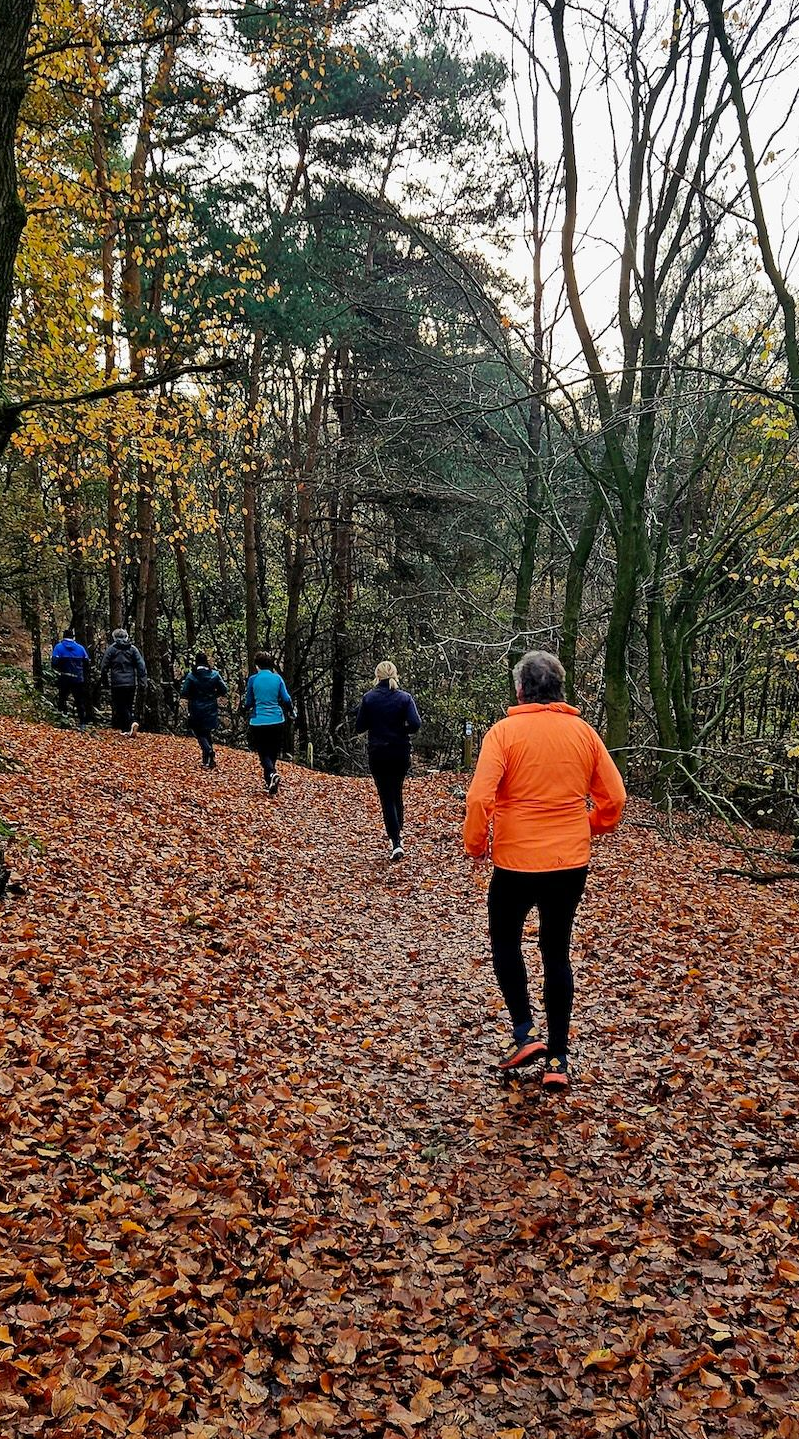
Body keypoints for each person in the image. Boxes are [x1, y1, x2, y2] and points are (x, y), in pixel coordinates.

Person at [463, 650, 626, 1091]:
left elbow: (480, 798)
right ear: (559, 687)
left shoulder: (504, 733)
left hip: (515, 861)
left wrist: (476, 843)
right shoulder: (584, 734)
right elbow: (615, 799)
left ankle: (524, 1032)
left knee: (505, 943)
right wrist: (587, 826)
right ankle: (557, 1058)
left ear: (520, 689)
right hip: (569, 863)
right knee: (556, 952)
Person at [355, 661, 421, 861]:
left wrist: (375, 724)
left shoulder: (369, 698)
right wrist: (401, 730)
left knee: (386, 796)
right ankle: (398, 830)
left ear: (377, 676)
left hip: (378, 753)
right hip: (400, 751)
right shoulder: (404, 698)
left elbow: (359, 727)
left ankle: (395, 840)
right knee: (396, 790)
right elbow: (416, 724)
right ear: (395, 675)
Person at [245, 652, 293, 793]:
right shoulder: (277, 678)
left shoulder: (253, 680)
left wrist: (246, 708)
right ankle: (270, 781)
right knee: (272, 751)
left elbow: (248, 701)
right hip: (277, 720)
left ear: (257, 665)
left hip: (259, 720)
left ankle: (271, 773)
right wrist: (291, 711)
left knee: (262, 751)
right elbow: (286, 699)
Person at [180, 652, 228, 769]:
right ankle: (208, 760)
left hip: (196, 707)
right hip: (211, 707)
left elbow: (184, 692)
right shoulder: (215, 675)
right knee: (207, 732)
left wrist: (192, 696)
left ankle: (208, 751)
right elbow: (224, 689)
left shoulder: (191, 676)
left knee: (199, 732)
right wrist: (214, 695)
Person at [100, 628, 147, 735]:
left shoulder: (111, 650)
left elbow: (104, 667)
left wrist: (105, 682)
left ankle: (132, 722)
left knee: (120, 706)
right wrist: (142, 682)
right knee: (128, 705)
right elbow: (141, 666)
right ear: (126, 637)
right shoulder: (133, 649)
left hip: (117, 683)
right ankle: (127, 729)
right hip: (131, 683)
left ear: (114, 637)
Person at [51, 628, 91, 729]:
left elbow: (54, 663)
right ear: (73, 637)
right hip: (78, 678)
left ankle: (63, 720)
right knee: (79, 700)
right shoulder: (80, 648)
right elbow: (87, 663)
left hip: (64, 677)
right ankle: (82, 722)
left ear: (63, 637)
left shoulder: (58, 647)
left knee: (62, 699)